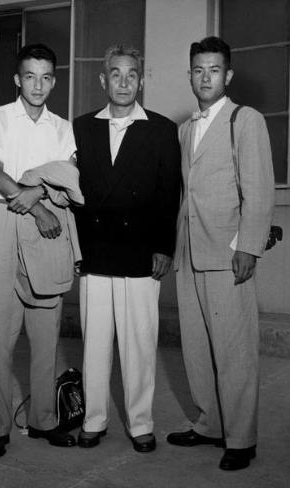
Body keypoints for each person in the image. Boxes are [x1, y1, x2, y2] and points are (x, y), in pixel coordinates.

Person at [167, 36, 275, 470]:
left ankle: (241, 438)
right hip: (189, 252)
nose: (205, 76)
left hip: (228, 253)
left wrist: (248, 246)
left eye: (213, 69)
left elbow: (259, 188)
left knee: (234, 350)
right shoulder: (186, 128)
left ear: (227, 75)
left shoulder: (244, 120)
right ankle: (210, 424)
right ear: (190, 74)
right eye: (198, 69)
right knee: (195, 348)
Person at [0, 44, 84, 459]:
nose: (37, 85)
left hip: (51, 226)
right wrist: (36, 203)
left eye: (46, 77)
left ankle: (44, 420)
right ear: (17, 79)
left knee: (45, 332)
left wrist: (40, 196)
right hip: (7, 222)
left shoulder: (61, 127)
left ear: (54, 81)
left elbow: (68, 176)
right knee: (0, 334)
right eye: (30, 76)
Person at [73, 45, 181, 452]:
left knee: (139, 341)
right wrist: (76, 250)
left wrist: (164, 248)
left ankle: (140, 423)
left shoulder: (161, 129)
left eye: (131, 74)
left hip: (140, 252)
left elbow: (169, 193)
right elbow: (72, 192)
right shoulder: (80, 128)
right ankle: (94, 419)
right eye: (115, 74)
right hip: (96, 251)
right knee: (95, 343)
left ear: (141, 80)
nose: (123, 81)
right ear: (103, 80)